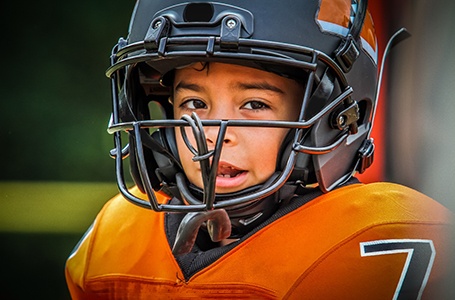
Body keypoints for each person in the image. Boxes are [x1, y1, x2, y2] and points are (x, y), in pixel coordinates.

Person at [65, 0, 455, 298]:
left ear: (332, 115)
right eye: (194, 105)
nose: (215, 134)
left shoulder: (378, 238)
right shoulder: (117, 236)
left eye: (254, 105)